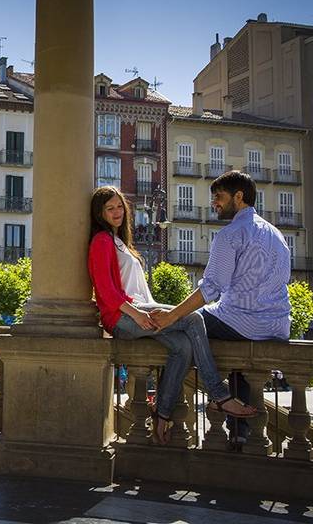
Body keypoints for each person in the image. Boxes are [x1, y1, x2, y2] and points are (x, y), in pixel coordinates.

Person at [88, 186, 256, 444]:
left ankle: (162, 415)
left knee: (182, 347)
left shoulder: (119, 241)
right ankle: (220, 394)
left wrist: (153, 311)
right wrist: (137, 314)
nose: (116, 212)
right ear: (100, 214)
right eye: (109, 208)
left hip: (137, 311)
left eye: (119, 206)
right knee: (195, 318)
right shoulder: (101, 240)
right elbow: (105, 290)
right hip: (122, 318)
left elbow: (136, 290)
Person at [152, 170, 291, 443]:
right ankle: (239, 434)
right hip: (277, 326)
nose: (214, 203)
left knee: (184, 328)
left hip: (242, 322)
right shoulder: (276, 234)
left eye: (219, 197)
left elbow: (210, 290)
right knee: (233, 357)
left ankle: (165, 410)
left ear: (239, 197)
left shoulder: (231, 234)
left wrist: (170, 317)